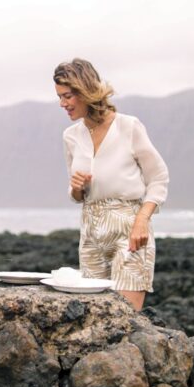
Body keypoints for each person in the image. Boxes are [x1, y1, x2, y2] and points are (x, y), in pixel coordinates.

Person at [54, 58, 169, 311]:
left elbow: (158, 177)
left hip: (129, 229)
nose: (63, 104)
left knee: (126, 318)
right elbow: (76, 196)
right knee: (95, 319)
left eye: (68, 96)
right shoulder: (70, 136)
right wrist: (76, 187)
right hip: (91, 232)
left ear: (85, 90)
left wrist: (142, 220)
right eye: (60, 97)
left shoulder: (129, 126)